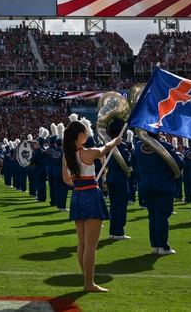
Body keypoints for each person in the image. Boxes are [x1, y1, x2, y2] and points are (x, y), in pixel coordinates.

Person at [62, 119, 122, 292]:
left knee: (82, 244)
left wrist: (80, 184)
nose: (87, 136)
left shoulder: (67, 154)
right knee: (90, 246)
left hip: (77, 195)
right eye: (85, 134)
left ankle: (88, 279)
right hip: (90, 195)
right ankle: (89, 283)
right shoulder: (86, 153)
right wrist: (115, 141)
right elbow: (104, 149)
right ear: (80, 136)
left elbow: (66, 179)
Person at [134, 130, 184, 255]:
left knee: (153, 215)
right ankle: (163, 246)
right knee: (162, 216)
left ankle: (155, 245)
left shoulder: (138, 147)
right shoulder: (166, 146)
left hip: (146, 184)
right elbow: (180, 164)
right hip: (162, 184)